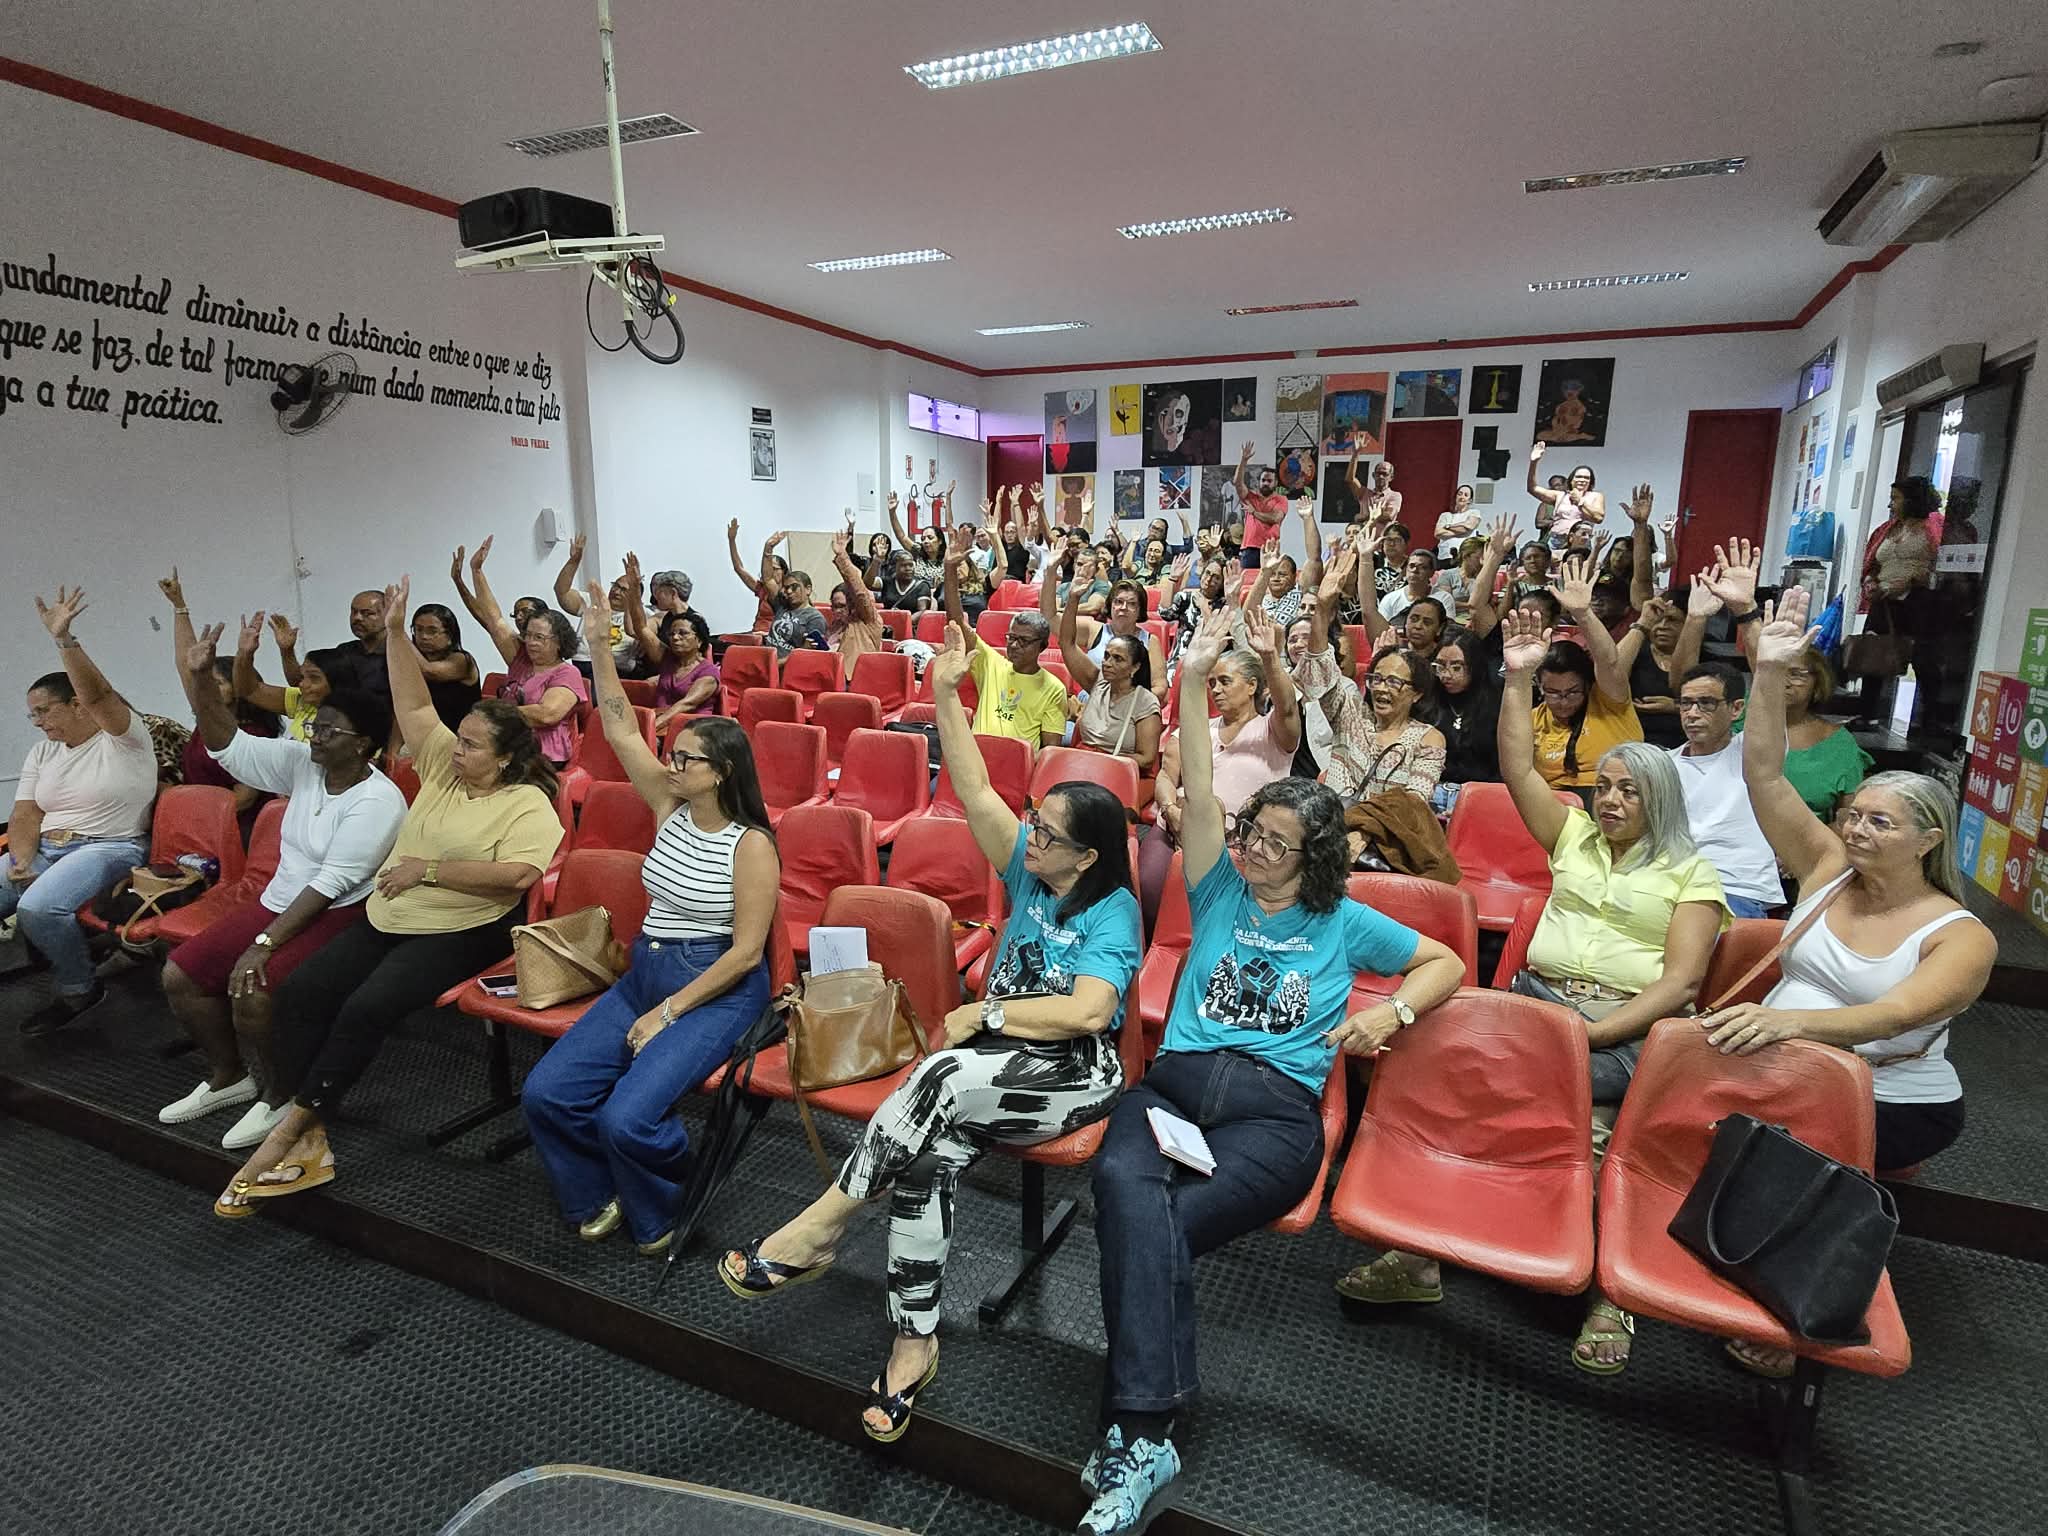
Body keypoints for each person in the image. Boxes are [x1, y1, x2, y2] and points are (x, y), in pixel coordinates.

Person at [1081, 609, 1464, 1533]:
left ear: (1317, 860)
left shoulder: (1341, 921)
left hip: (1274, 1118)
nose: (1250, 848)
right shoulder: (1215, 885)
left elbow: (1443, 961)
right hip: (1171, 1091)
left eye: (1273, 843)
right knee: (1124, 1190)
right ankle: (1147, 1432)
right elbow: (1201, 791)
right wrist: (1195, 672)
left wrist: (1392, 1010)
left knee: (1147, 1222)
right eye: (1252, 833)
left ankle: (1136, 1431)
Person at [720, 622, 1139, 1443]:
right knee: (925, 1164)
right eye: (1036, 822)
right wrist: (949, 693)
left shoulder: (1113, 911)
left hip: (1073, 1075)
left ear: (1087, 858)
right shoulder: (1032, 866)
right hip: (998, 1063)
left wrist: (984, 1014)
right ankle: (914, 1342)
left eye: (1048, 833)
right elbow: (978, 789)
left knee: (941, 1077)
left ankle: (822, 1224)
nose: (1031, 835)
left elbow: (1091, 1013)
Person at [1340, 604, 1726, 1375]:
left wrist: (1597, 1034)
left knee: (1594, 1142)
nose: (1609, 801)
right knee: (1447, 1099)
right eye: (1604, 787)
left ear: (1660, 801)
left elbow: (1682, 980)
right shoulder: (1574, 834)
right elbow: (1517, 766)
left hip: (1625, 1025)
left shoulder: (1693, 873)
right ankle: (1420, 1260)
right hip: (1537, 1000)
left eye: (1628, 792)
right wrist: (1515, 679)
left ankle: (1610, 1295)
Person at [216, 577, 565, 1218]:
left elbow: (517, 877)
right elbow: (412, 703)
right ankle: (309, 1122)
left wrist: (428, 869)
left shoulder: (528, 802)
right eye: (457, 740)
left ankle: (292, 1131)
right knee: (302, 992)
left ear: (509, 759)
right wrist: (398, 631)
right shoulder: (442, 765)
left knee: (365, 1007)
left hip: (467, 926)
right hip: (395, 912)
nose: (454, 751)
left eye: (471, 746)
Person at [1711, 586, 1995, 1375]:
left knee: (1788, 1152)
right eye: (1853, 814)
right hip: (1776, 1058)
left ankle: (1806, 1323)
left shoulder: (1961, 937)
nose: (1855, 828)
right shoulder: (1827, 871)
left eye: (1880, 821)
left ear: (1927, 840)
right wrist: (1766, 668)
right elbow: (1763, 772)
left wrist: (1787, 1026)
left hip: (1890, 1094)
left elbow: (1891, 1015)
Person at [523, 588, 779, 1254]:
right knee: (547, 1093)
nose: (672, 760)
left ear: (722, 772)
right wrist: (597, 642)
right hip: (647, 970)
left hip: (716, 987)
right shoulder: (668, 803)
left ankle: (665, 1200)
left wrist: (665, 1015)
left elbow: (748, 954)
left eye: (688, 757)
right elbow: (616, 725)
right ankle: (595, 1190)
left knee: (627, 1118)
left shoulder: (750, 843)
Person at [156, 612, 405, 1151]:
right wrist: (200, 679)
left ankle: (279, 1094)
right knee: (180, 975)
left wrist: (264, 944)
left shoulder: (379, 799)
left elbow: (332, 883)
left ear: (364, 745)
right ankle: (228, 1076)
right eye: (315, 726)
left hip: (339, 913)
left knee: (254, 988)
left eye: (330, 730)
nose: (314, 735)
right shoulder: (303, 763)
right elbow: (229, 746)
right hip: (282, 899)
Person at [2, 587, 156, 1037]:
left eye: (44, 711)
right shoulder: (42, 752)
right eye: (32, 715)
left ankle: (79, 988)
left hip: (111, 847)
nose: (38, 722)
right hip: (48, 848)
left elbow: (101, 693)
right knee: (19, 887)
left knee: (38, 908)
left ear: (76, 705)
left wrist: (64, 640)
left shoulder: (123, 738)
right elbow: (26, 814)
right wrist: (22, 859)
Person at [1138, 606, 1302, 926]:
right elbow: (1166, 776)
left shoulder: (1272, 731)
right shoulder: (1198, 728)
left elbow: (1287, 708)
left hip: (1240, 842)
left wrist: (1270, 658)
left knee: (1219, 917)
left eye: (1225, 681)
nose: (1216, 690)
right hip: (1175, 827)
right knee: (1147, 888)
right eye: (1212, 683)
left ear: (1253, 686)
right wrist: (1171, 810)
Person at [452, 537, 589, 768]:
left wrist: (496, 713)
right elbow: (494, 619)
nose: (531, 643)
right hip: (506, 746)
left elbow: (547, 714)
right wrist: (477, 572)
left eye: (539, 638)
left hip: (542, 756)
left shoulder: (566, 673)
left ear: (559, 642)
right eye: (528, 636)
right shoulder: (521, 659)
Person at [1523, 549, 1642, 790]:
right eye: (1553, 693)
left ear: (1587, 686)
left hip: (1610, 797)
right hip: (1553, 807)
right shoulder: (1535, 719)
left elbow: (1608, 661)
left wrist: (1582, 613)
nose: (1563, 702)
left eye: (1572, 693)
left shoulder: (1610, 702)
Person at [942, 533, 1067, 748]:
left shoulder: (1054, 688)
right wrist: (950, 570)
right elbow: (957, 624)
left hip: (1014, 768)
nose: (1014, 645)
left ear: (1042, 647)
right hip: (975, 759)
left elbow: (1049, 752)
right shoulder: (991, 663)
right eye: (1011, 638)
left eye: (1024, 641)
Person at [1288, 546, 1373, 798]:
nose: (1300, 644)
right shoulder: (1281, 685)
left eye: (1307, 637)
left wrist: (1324, 607)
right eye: (1292, 639)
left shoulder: (1342, 687)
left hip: (1324, 783)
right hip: (1281, 778)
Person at [1058, 582, 1163, 773]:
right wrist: (1073, 599)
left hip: (1119, 770)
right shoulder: (1097, 682)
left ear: (1134, 668)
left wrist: (1103, 760)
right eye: (1106, 656)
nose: (1107, 663)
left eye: (1118, 659)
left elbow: (1147, 759)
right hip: (1084, 761)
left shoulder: (1145, 702)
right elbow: (1067, 643)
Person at [1359, 649, 1447, 803]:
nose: (1381, 688)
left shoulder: (1428, 739)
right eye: (1377, 679)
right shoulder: (1356, 723)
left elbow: (1415, 802)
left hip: (1391, 823)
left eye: (1394, 682)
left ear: (1417, 694)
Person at [1430, 630, 1501, 812]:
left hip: (1483, 794)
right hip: (1433, 791)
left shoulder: (1496, 704)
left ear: (1474, 666)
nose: (1445, 675)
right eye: (1440, 666)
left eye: (1456, 667)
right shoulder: (1428, 699)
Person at [234, 613, 328, 742]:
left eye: (314, 679)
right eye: (304, 677)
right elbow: (249, 691)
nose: (302, 684)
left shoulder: (350, 716)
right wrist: (245, 653)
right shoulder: (303, 700)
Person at [304, 589, 393, 702]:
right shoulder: (345, 651)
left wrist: (397, 628)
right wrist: (287, 651)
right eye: (354, 612)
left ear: (389, 615)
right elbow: (306, 684)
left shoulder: (398, 653)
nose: (357, 618)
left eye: (368, 613)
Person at [407, 601, 483, 732]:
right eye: (418, 630)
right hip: (420, 735)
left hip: (459, 738)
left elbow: (429, 671)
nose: (424, 636)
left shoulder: (462, 660)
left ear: (450, 635)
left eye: (432, 631)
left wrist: (395, 631)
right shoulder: (415, 659)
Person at [1528, 444, 1605, 542]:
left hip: (1580, 541)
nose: (1582, 480)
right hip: (1556, 539)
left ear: (1591, 482)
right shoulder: (1561, 495)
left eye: (1586, 478)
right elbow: (1532, 488)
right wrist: (1534, 462)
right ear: (1571, 480)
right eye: (1578, 477)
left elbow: (1599, 518)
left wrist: (1580, 502)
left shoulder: (1596, 496)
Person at [727, 519, 790, 637]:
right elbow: (739, 568)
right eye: (768, 569)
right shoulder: (762, 589)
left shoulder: (788, 594)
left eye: (775, 569)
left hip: (771, 638)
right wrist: (732, 540)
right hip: (755, 634)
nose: (770, 572)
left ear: (784, 572)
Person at [1232, 442, 1288, 569]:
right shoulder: (1251, 497)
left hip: (1270, 549)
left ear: (1276, 483)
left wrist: (1254, 512)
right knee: (1248, 586)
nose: (1266, 483)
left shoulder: (1281, 499)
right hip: (1249, 550)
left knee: (1268, 585)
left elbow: (1275, 518)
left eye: (1269, 481)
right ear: (1259, 482)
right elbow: (1237, 483)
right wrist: (1243, 460)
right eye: (1263, 480)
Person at [1378, 549, 1438, 625]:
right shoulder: (1390, 599)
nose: (1415, 570)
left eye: (1422, 567)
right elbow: (1380, 629)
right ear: (1406, 569)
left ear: (1431, 572)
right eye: (1411, 566)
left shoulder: (1443, 598)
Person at [1434, 483, 1480, 561]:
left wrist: (1448, 527)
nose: (1462, 497)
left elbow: (1469, 526)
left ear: (1470, 500)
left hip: (1465, 558)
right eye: (1460, 494)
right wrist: (1464, 531)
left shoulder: (1474, 513)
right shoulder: (1445, 515)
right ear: (1456, 497)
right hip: (1444, 557)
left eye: (1466, 495)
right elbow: (1438, 533)